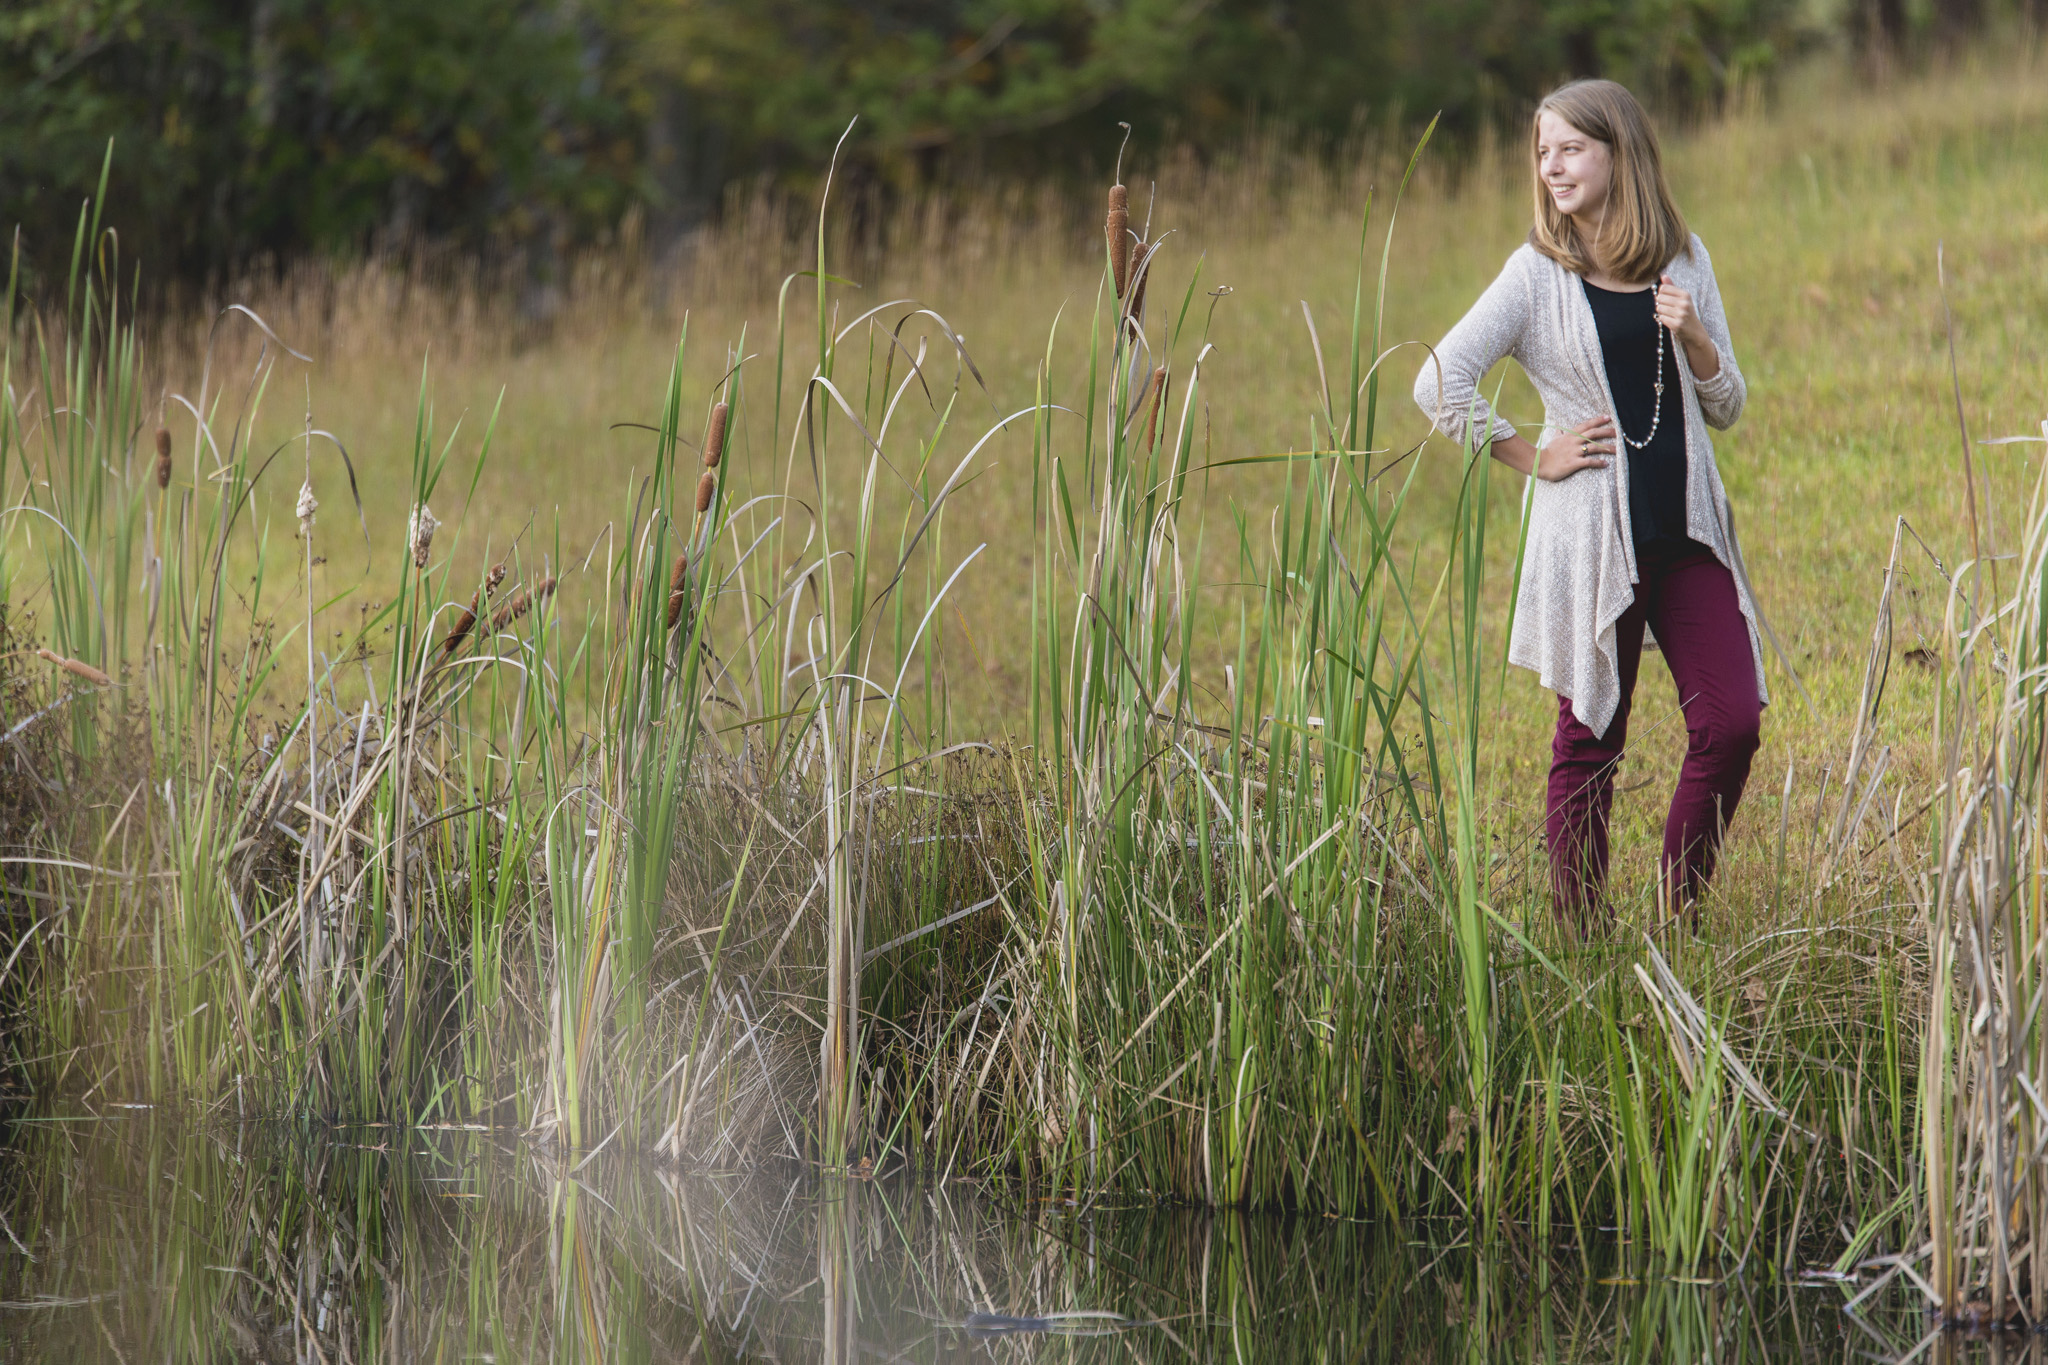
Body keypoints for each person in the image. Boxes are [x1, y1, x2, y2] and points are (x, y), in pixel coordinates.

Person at [1412, 78, 1765, 930]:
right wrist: (1533, 455)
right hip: (1592, 540)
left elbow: (1727, 405)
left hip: (1686, 532)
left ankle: (1677, 917)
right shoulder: (1536, 276)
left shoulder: (1683, 257)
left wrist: (1697, 339)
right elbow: (1438, 380)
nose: (1552, 165)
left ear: (1620, 152)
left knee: (1732, 724)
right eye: (1543, 150)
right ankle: (1584, 938)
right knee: (1591, 738)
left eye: (1571, 147)